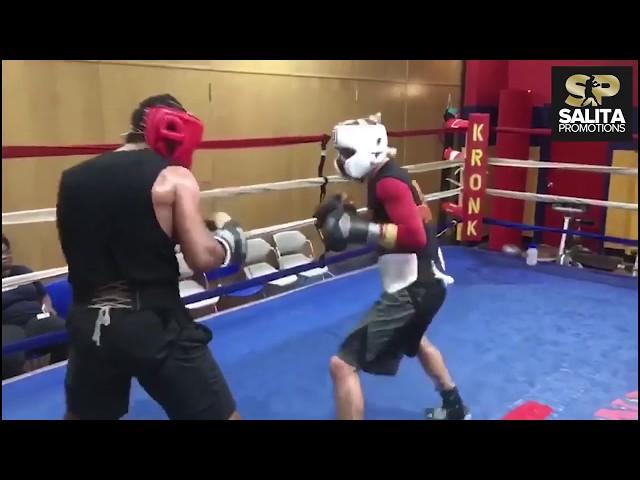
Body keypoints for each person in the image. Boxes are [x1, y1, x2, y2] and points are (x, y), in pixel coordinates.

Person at [56, 94, 248, 420]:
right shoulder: (173, 175)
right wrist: (229, 242)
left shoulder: (72, 178)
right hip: (153, 321)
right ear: (173, 128)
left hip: (89, 323)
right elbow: (202, 257)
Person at [314, 113, 469, 420]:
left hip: (413, 289)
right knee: (418, 342)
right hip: (427, 284)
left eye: (345, 154)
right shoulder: (389, 175)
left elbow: (411, 234)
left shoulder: (387, 183)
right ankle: (454, 408)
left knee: (342, 365)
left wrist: (357, 229)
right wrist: (358, 220)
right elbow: (402, 225)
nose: (342, 162)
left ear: (366, 151)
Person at [2, 234, 67, 379]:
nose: (4, 256)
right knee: (8, 356)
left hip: (35, 318)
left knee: (67, 332)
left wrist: (47, 307)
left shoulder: (23, 271)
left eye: (6, 252)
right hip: (8, 325)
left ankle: (56, 376)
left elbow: (43, 294)